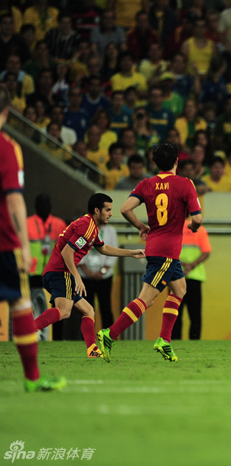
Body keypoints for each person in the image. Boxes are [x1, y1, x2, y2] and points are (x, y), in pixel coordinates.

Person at [97, 143, 203, 363]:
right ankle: (110, 334)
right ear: (177, 161)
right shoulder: (185, 184)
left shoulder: (146, 184)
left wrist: (141, 227)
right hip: (165, 252)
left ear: (155, 163)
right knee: (146, 299)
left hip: (160, 249)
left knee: (180, 289)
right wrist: (192, 227)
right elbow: (198, 219)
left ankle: (164, 340)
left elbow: (125, 209)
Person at [0, 84, 65, 391]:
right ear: (7, 111)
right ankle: (32, 379)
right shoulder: (7, 147)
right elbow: (13, 200)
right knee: (21, 303)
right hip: (3, 242)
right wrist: (25, 246)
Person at [33, 193, 145, 358]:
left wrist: (131, 253)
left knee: (88, 311)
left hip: (57, 272)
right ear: (96, 210)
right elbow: (67, 252)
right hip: (60, 272)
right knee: (64, 312)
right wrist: (77, 276)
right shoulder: (87, 227)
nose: (111, 213)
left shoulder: (90, 227)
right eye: (107, 210)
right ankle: (28, 329)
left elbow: (103, 248)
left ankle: (92, 349)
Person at [173, 219, 211, 340]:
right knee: (195, 313)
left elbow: (168, 252)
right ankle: (195, 342)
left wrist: (182, 264)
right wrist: (191, 265)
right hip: (195, 276)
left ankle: (174, 341)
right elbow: (206, 252)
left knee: (174, 312)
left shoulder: (173, 229)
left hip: (176, 276)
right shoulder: (200, 230)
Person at [78, 216, 118, 330]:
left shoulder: (110, 231)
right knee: (86, 309)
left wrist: (102, 271)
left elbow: (113, 253)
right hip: (85, 276)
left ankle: (108, 336)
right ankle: (87, 338)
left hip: (105, 277)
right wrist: (87, 271)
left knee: (105, 307)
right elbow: (77, 250)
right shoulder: (84, 230)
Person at [26, 193, 66, 287]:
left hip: (54, 271)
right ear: (36, 206)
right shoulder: (27, 223)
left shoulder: (60, 224)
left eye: (46, 204)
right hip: (32, 271)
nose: (44, 207)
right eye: (41, 204)